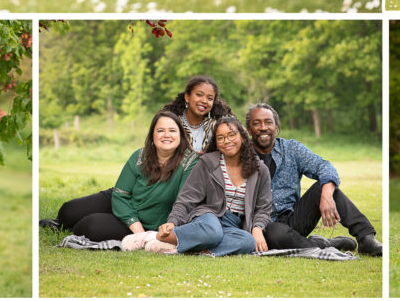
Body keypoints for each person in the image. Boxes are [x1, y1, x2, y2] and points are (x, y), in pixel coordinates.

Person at [245, 103, 383, 255]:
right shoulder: (242, 157)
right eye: (256, 123)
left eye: (268, 122)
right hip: (262, 227)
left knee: (324, 187)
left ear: (276, 127)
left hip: (294, 219)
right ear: (249, 130)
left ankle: (366, 238)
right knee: (276, 233)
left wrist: (327, 195)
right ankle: (323, 244)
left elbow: (324, 166)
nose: (263, 127)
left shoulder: (291, 149)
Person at [44, 110, 198, 243]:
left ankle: (80, 226)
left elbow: (182, 202)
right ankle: (60, 224)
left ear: (181, 135)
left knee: (90, 225)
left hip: (147, 218)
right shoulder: (140, 155)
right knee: (68, 211)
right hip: (123, 198)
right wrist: (139, 233)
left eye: (172, 130)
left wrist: (140, 233)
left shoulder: (190, 162)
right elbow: (119, 195)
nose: (166, 135)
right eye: (160, 130)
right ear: (152, 135)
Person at [148, 117, 271, 256]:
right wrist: (173, 221)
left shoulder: (259, 169)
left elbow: (264, 208)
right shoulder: (208, 163)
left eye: (232, 135)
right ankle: (158, 237)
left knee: (247, 241)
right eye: (220, 138)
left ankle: (199, 250)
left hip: (233, 225)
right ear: (217, 143)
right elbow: (187, 197)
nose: (227, 141)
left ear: (242, 137)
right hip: (209, 216)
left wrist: (257, 228)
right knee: (213, 231)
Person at [159, 75, 233, 153]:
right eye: (199, 95)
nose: (204, 101)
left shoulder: (217, 126)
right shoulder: (172, 122)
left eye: (210, 98)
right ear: (187, 97)